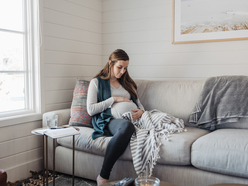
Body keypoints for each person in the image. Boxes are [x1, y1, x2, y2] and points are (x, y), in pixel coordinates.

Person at [87, 49, 145, 186]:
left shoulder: (128, 83)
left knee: (128, 125)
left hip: (133, 119)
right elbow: (91, 110)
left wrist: (141, 112)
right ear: (110, 63)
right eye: (119, 67)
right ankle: (103, 177)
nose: (122, 71)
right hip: (108, 120)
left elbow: (141, 105)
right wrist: (114, 99)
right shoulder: (96, 82)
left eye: (125, 68)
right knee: (127, 126)